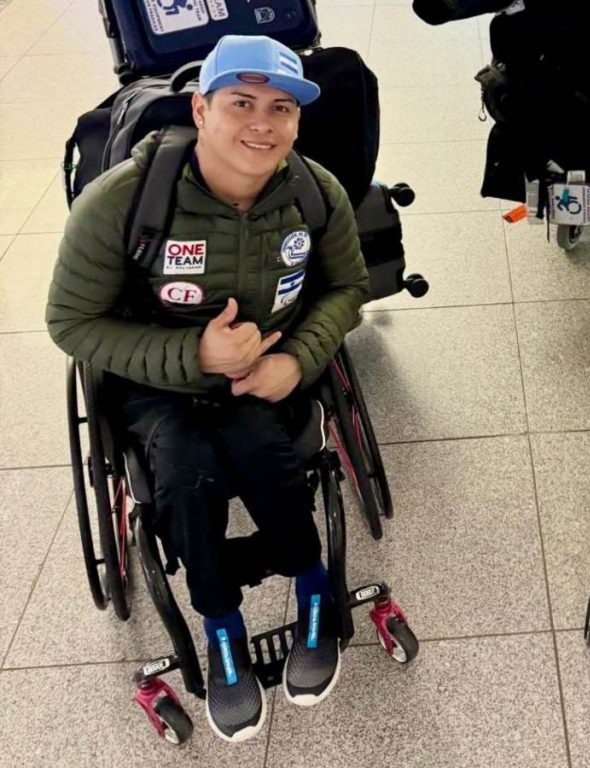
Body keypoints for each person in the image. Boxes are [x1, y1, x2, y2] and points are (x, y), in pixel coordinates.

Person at [46, 35, 369, 742]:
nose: (263, 123)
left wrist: (300, 360)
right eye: (241, 103)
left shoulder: (315, 193)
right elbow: (71, 322)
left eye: (281, 107)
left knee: (268, 453)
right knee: (186, 476)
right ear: (200, 107)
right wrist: (194, 352)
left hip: (269, 370)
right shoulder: (122, 203)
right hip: (153, 381)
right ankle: (221, 629)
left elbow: (348, 288)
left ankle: (314, 587)